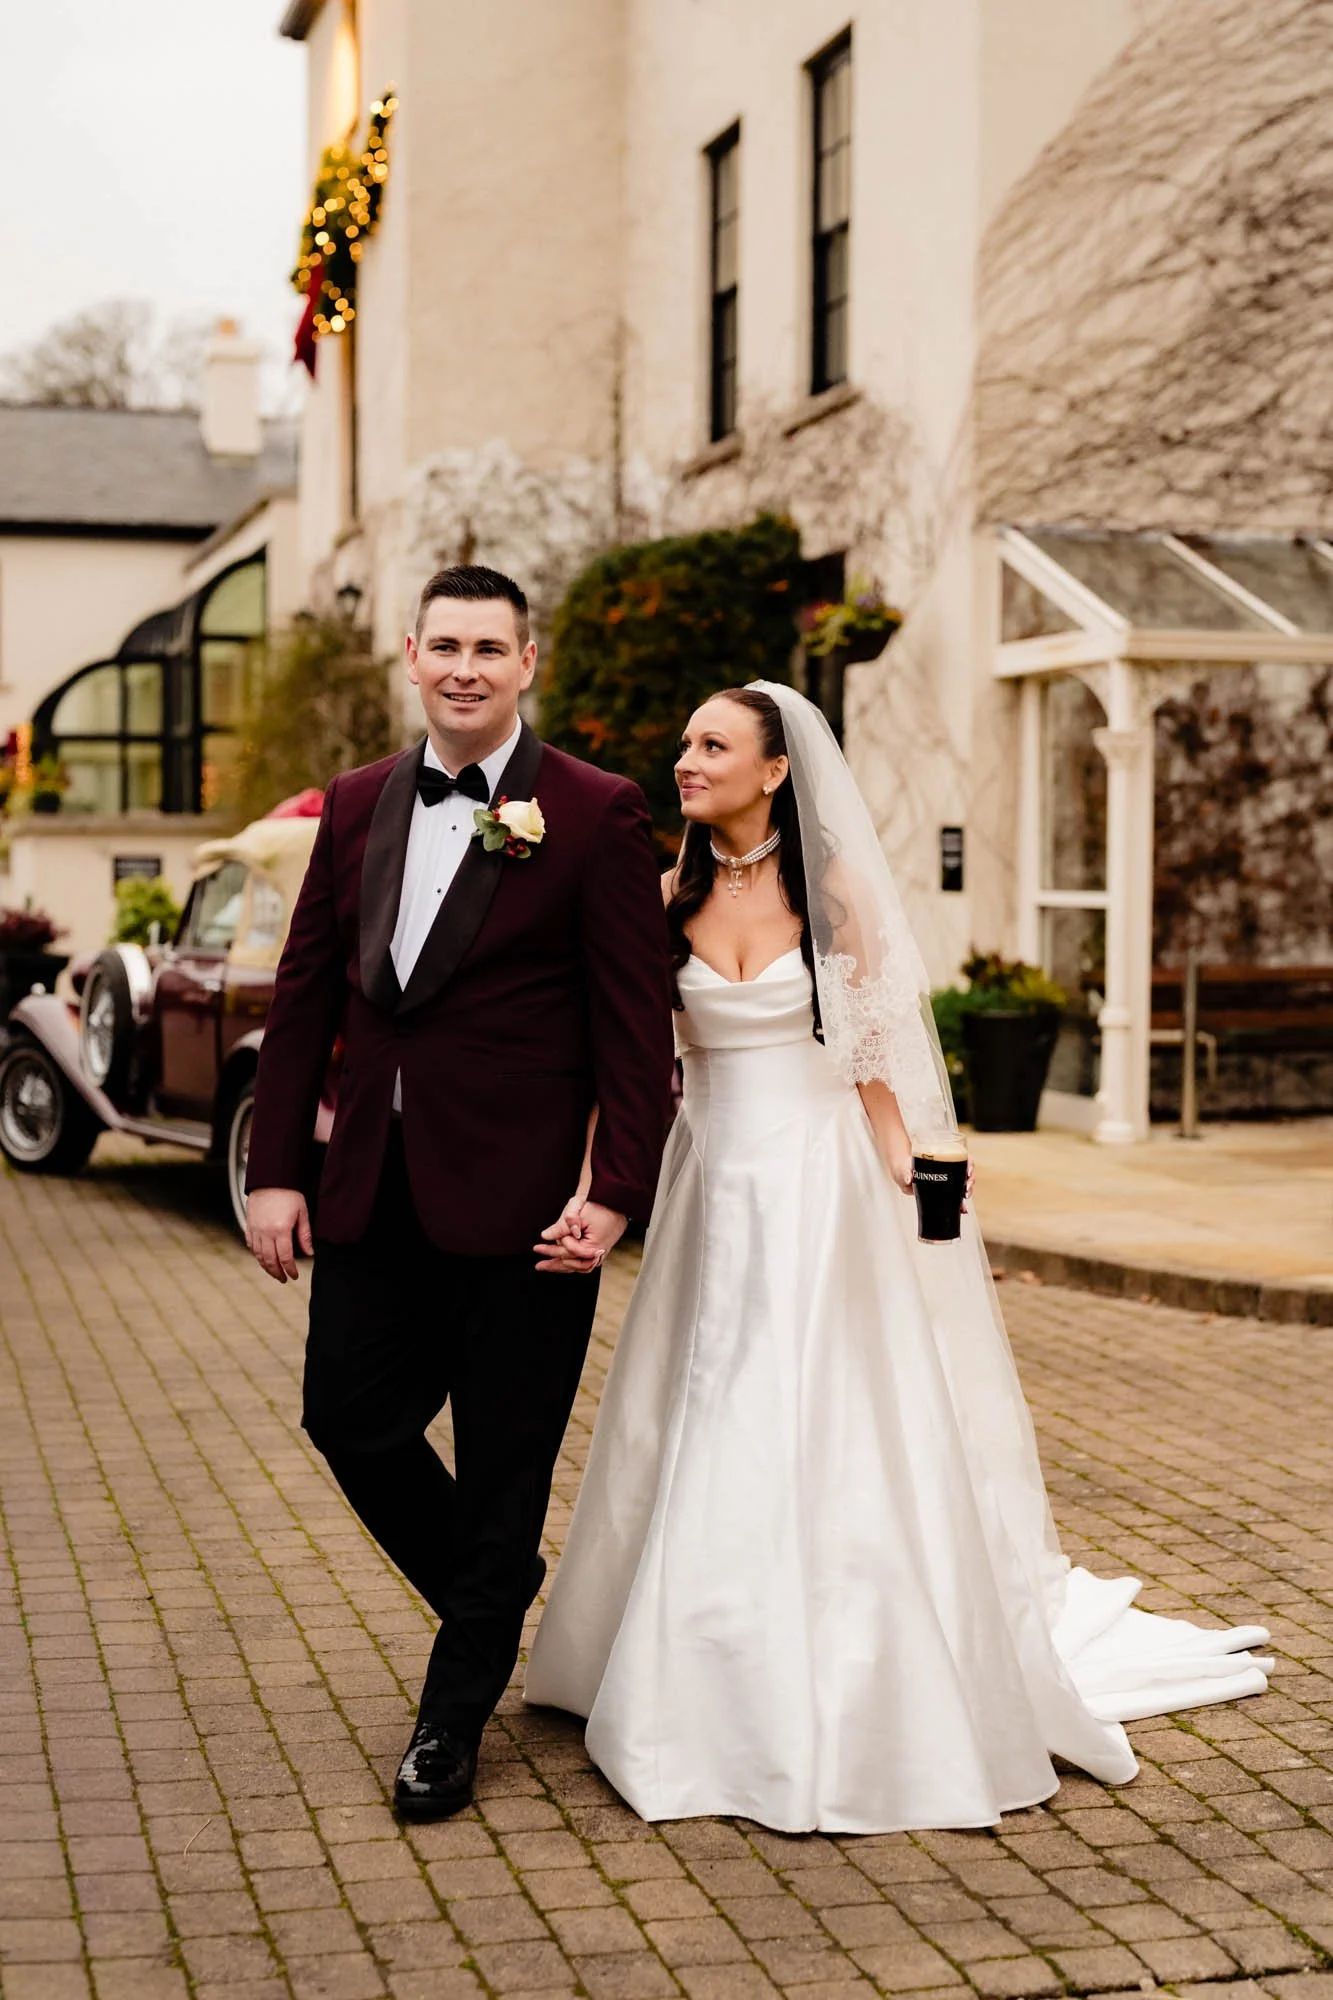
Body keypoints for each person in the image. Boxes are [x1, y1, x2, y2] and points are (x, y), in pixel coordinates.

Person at [525, 680, 1273, 1835]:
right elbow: (627, 1060)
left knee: (821, 1409)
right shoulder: (661, 896)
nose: (685, 759)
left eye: (711, 744)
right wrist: (593, 1182)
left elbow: (873, 1054)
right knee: (701, 1399)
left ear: (776, 769)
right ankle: (683, 1652)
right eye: (683, 742)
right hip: (710, 1179)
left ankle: (846, 1673)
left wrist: (917, 1165)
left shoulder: (833, 897)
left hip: (819, 1184)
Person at [244, 564, 676, 1822]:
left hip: (531, 1210)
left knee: (502, 1463)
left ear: (528, 661)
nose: (465, 667)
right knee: (348, 1418)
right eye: (445, 645)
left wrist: (615, 1189)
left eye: (491, 646)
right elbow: (305, 994)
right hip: (370, 1193)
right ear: (412, 653)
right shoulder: (364, 800)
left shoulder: (595, 812)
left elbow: (632, 1028)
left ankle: (450, 1718)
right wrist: (277, 1169)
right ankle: (494, 1594)